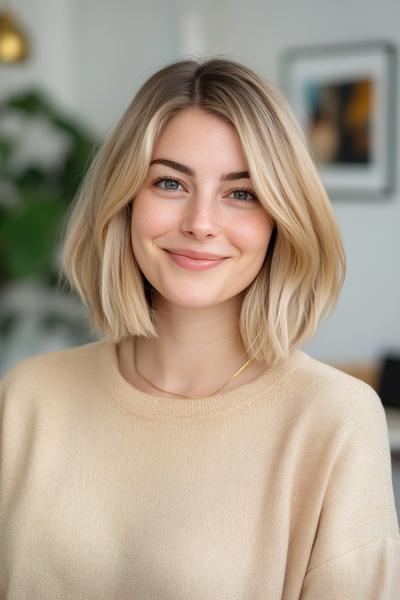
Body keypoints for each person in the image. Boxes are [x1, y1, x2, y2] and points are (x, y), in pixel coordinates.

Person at [0, 57, 398, 599]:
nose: (201, 223)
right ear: (124, 201)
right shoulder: (30, 396)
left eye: (241, 192)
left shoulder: (334, 420)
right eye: (169, 182)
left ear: (281, 220)